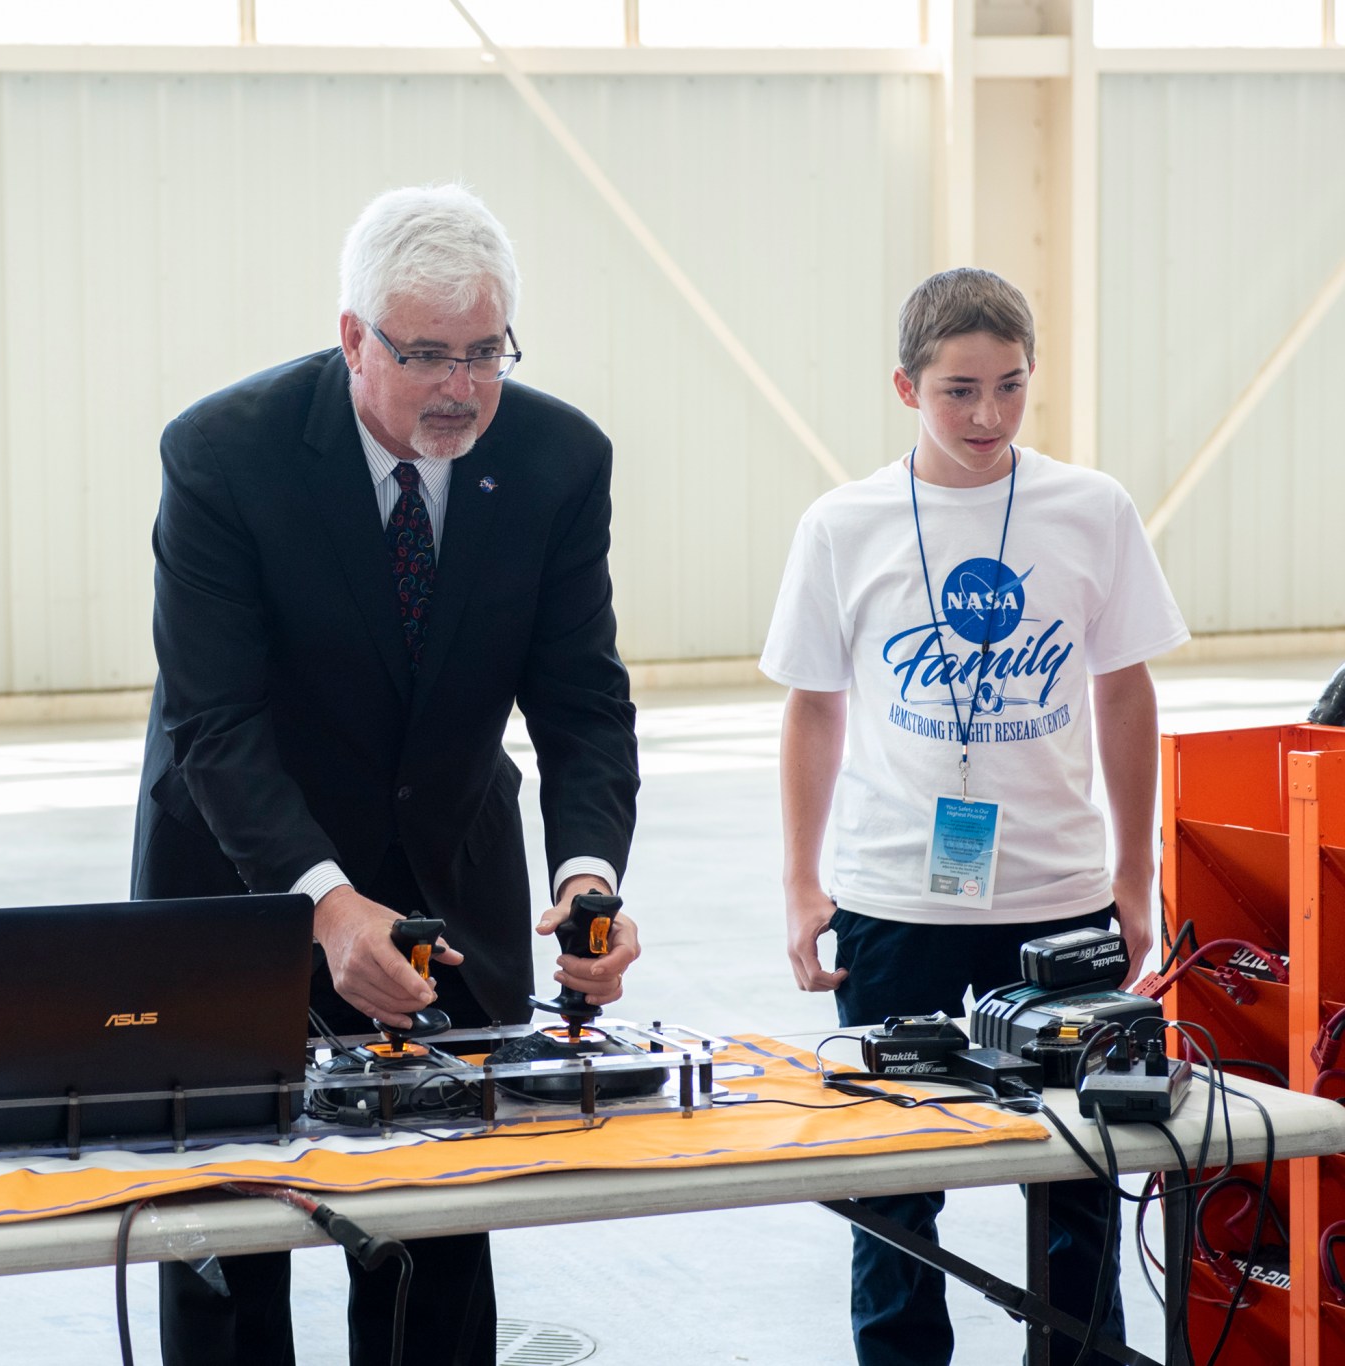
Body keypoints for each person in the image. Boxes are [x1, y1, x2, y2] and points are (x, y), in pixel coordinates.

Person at [130, 183, 643, 1366]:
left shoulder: (558, 456)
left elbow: (578, 697)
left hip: (444, 872)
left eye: (484, 353)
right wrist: (323, 900)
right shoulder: (222, 454)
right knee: (224, 1228)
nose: (460, 388)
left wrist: (585, 877)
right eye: (423, 355)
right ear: (353, 338)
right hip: (237, 872)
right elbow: (214, 722)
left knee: (436, 1230)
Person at [762, 267, 1187, 1366]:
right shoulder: (840, 524)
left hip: (1056, 895)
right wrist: (802, 882)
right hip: (893, 897)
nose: (985, 417)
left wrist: (1131, 877)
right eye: (957, 390)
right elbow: (813, 708)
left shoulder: (1088, 509)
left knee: (1082, 1170)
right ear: (903, 386)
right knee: (892, 1185)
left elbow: (1122, 691)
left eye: (1007, 386)